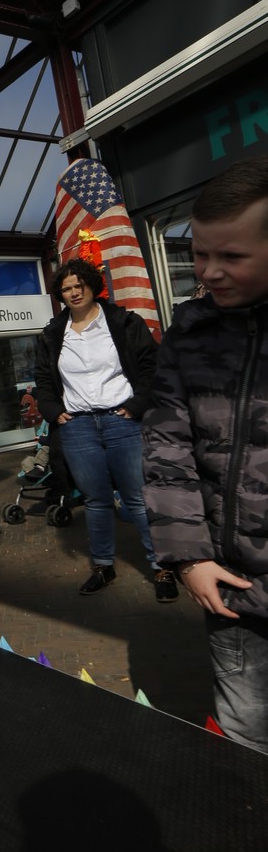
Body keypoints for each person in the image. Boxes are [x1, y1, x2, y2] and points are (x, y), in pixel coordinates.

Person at [143, 156, 268, 752]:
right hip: (231, 583)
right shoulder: (187, 334)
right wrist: (188, 557)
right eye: (199, 254)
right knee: (245, 735)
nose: (210, 271)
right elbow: (166, 446)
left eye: (232, 256)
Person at [34, 258, 177, 601]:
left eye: (79, 285)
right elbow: (43, 380)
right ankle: (103, 566)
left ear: (92, 285)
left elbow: (151, 366)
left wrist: (137, 406)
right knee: (96, 501)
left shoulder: (124, 322)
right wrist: (54, 412)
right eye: (66, 288)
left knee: (138, 498)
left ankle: (162, 567)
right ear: (60, 294)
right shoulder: (53, 333)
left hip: (121, 421)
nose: (74, 292)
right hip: (77, 427)